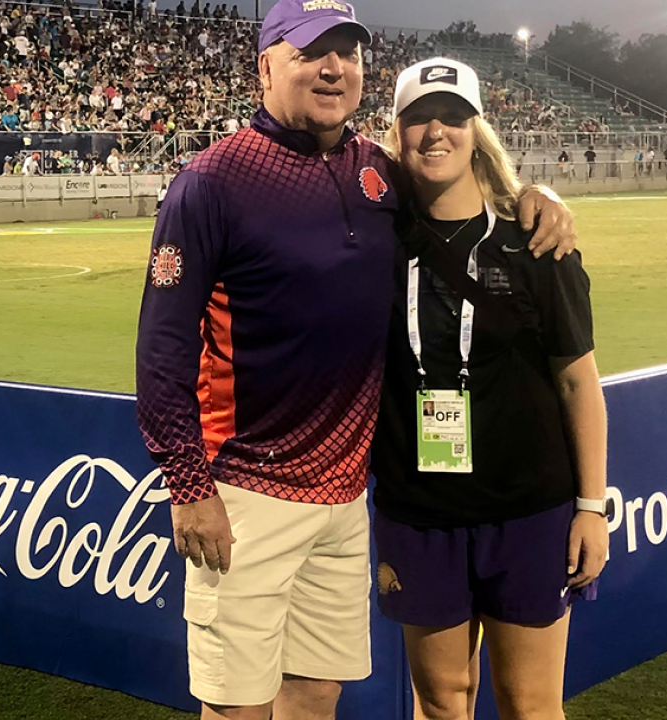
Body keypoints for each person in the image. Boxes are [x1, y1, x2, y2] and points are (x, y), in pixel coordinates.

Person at [135, 2, 577, 718]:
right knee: (238, 705)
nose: (333, 67)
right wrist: (188, 485)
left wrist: (535, 195)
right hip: (249, 494)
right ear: (266, 65)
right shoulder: (212, 182)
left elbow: (459, 188)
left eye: (347, 51)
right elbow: (161, 348)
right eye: (311, 51)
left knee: (314, 695)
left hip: (345, 501)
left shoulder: (377, 171)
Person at [372, 57, 608, 720]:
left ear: (477, 130)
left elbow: (576, 382)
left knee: (531, 705)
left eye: (452, 117)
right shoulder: (372, 246)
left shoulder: (537, 244)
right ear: (397, 133)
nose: (435, 132)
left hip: (528, 510)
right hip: (420, 511)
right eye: (419, 119)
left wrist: (592, 507)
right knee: (442, 701)